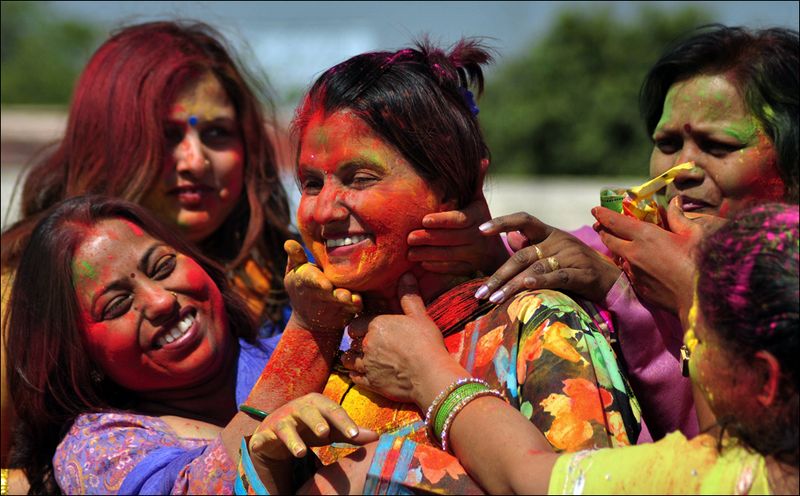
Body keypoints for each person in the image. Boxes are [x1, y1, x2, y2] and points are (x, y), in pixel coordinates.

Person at [236, 38, 642, 495]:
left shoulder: (538, 325)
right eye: (311, 183)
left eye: (360, 179)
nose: (323, 210)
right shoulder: (326, 343)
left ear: (450, 187)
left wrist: (383, 471)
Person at [457, 24, 798, 442]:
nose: (681, 170)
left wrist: (644, 296)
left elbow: (726, 461)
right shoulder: (614, 250)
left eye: (718, 146)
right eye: (668, 143)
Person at [0, 21, 296, 475]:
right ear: (108, 144)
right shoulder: (20, 296)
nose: (195, 161)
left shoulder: (296, 271)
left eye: (216, 133)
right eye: (166, 136)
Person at [345, 202, 799, 494]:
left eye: (692, 343)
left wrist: (428, 372)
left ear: (764, 380)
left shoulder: (711, 478)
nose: (687, 354)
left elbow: (528, 476)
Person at [4, 194, 375, 495]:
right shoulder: (97, 446)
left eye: (163, 266)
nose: (161, 301)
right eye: (116, 305)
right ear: (80, 356)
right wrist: (310, 331)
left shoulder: (344, 345)